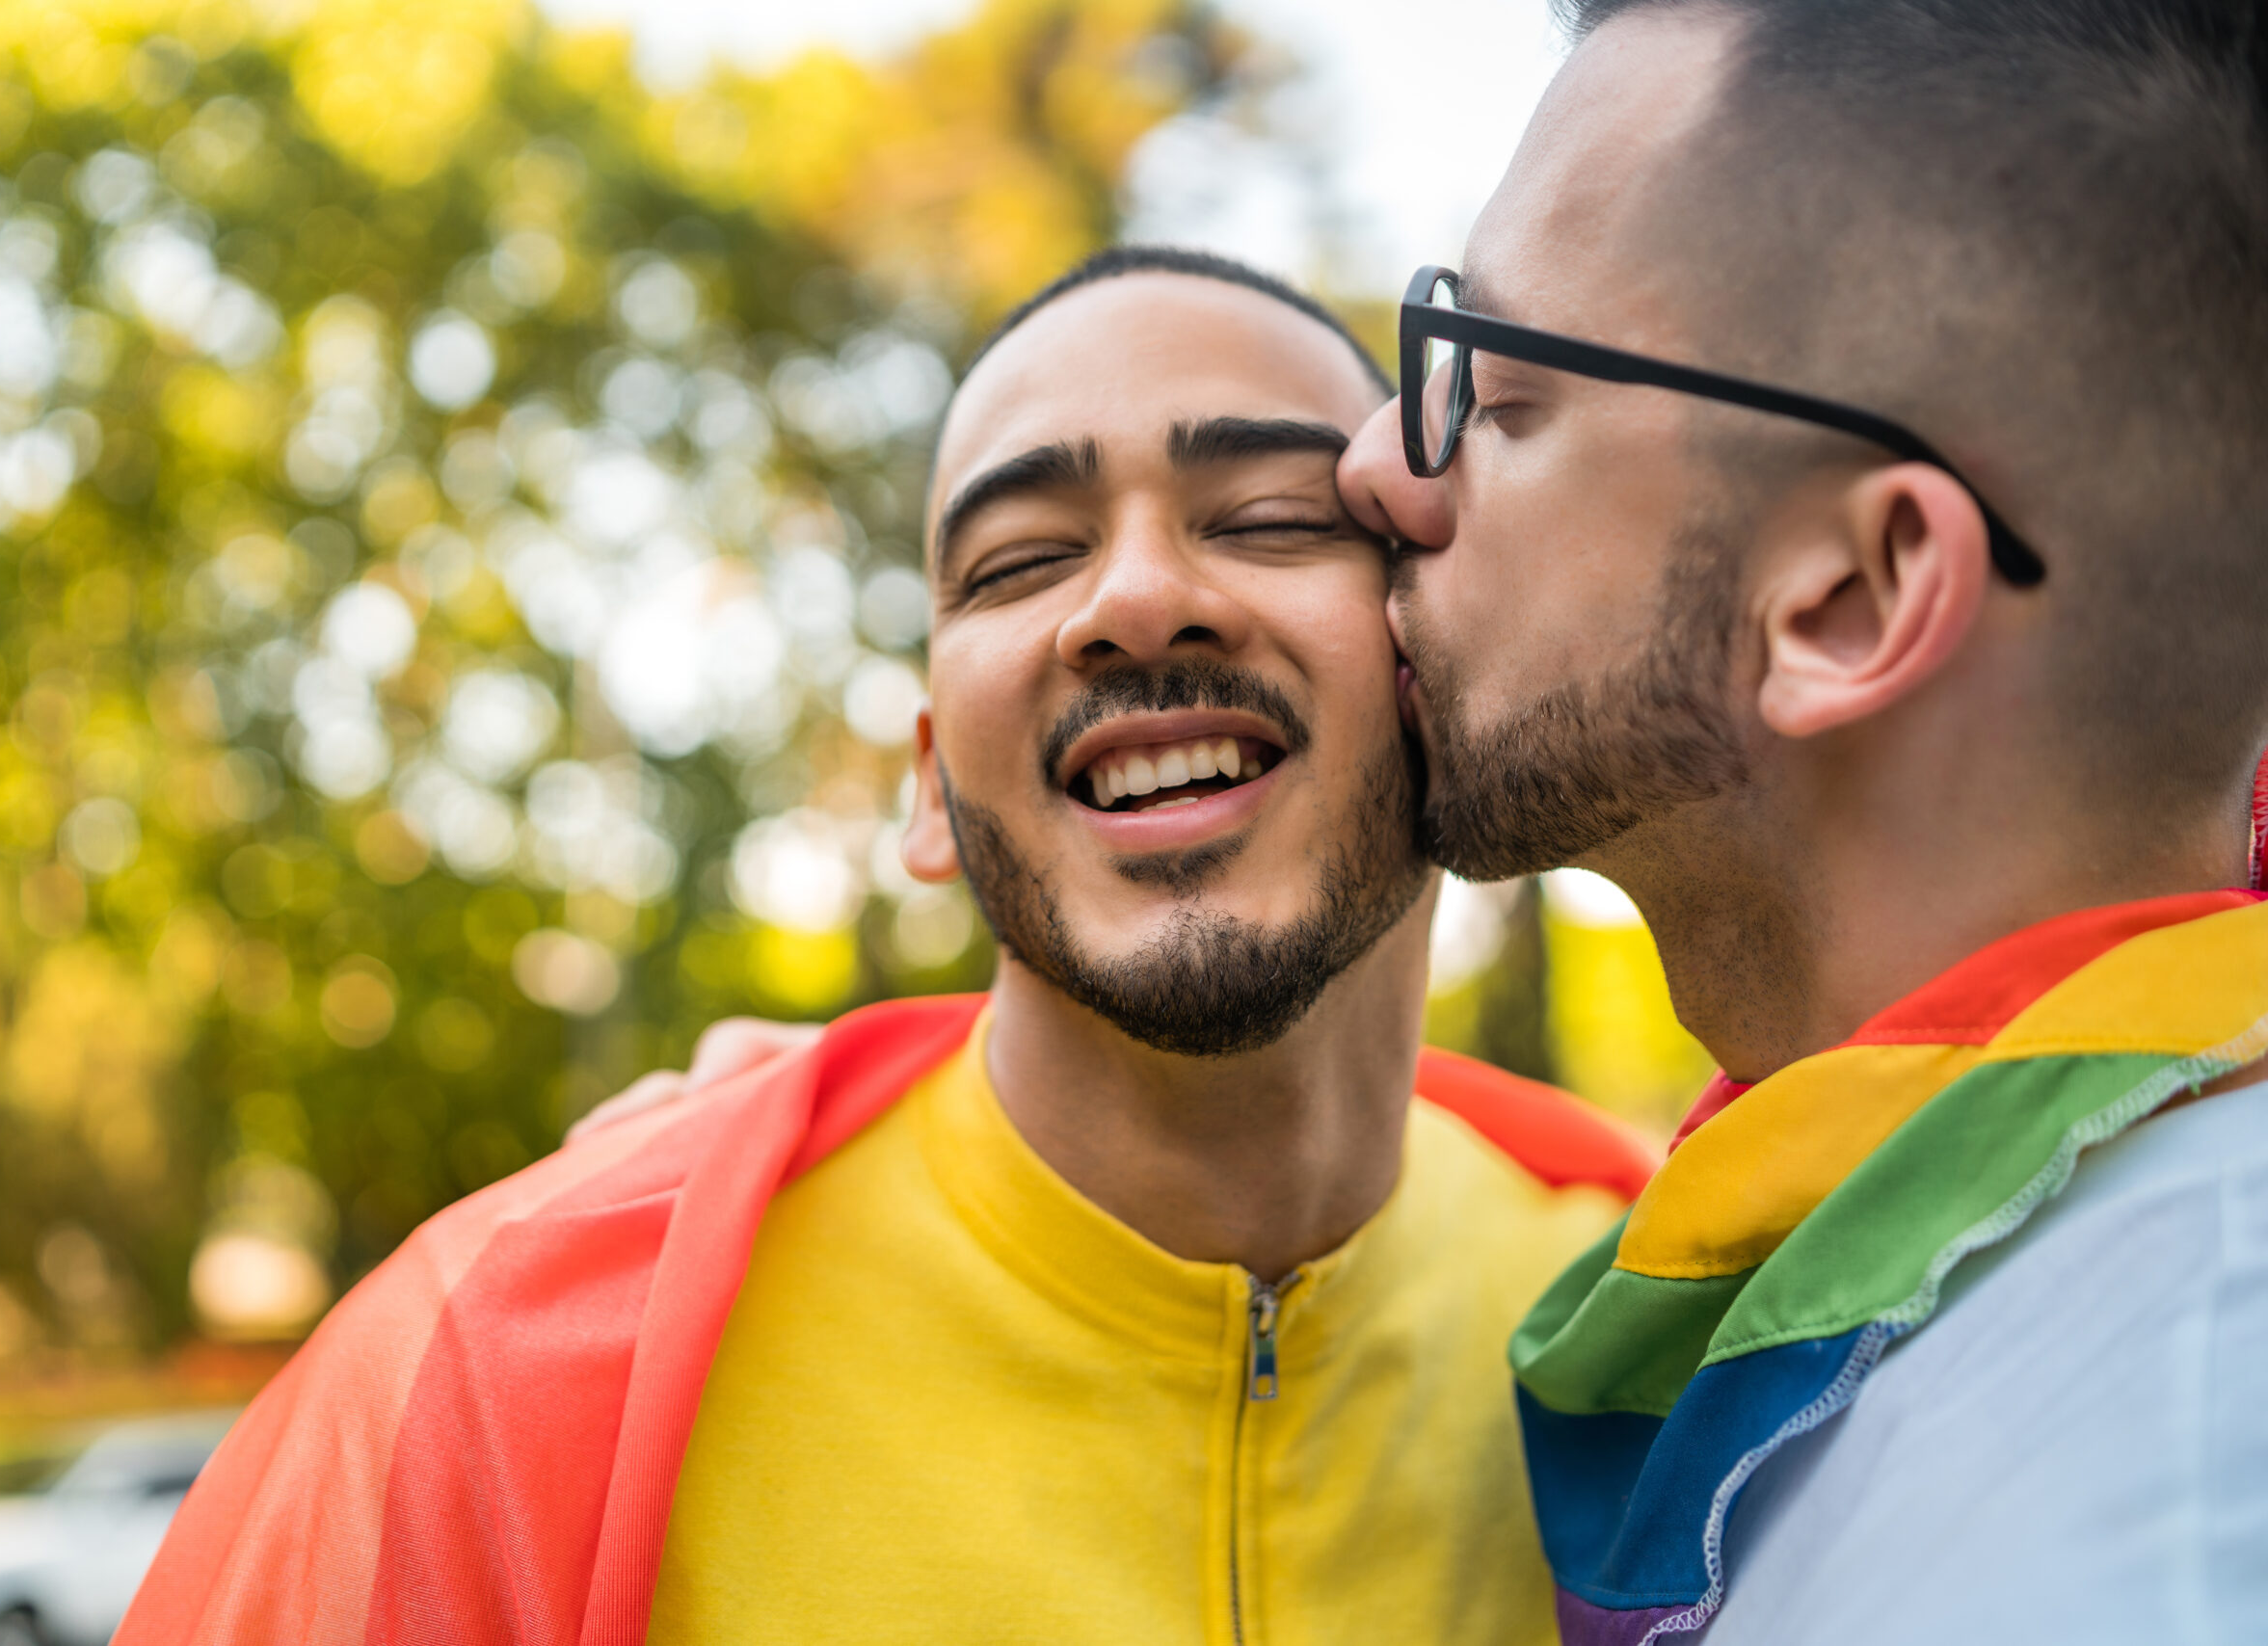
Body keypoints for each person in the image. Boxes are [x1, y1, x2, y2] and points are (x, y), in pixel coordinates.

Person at [118, 247, 1657, 1646]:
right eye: (1015, 562)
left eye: (1264, 519)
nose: (1130, 601)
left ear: (1441, 671)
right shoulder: (483, 1379)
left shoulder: (1659, 1318)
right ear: (930, 786)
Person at [1334, 1, 2268, 1640]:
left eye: (1494, 388)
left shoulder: (2170, 1489)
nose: (1376, 470)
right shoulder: (1971, 1311)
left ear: (1847, 598)